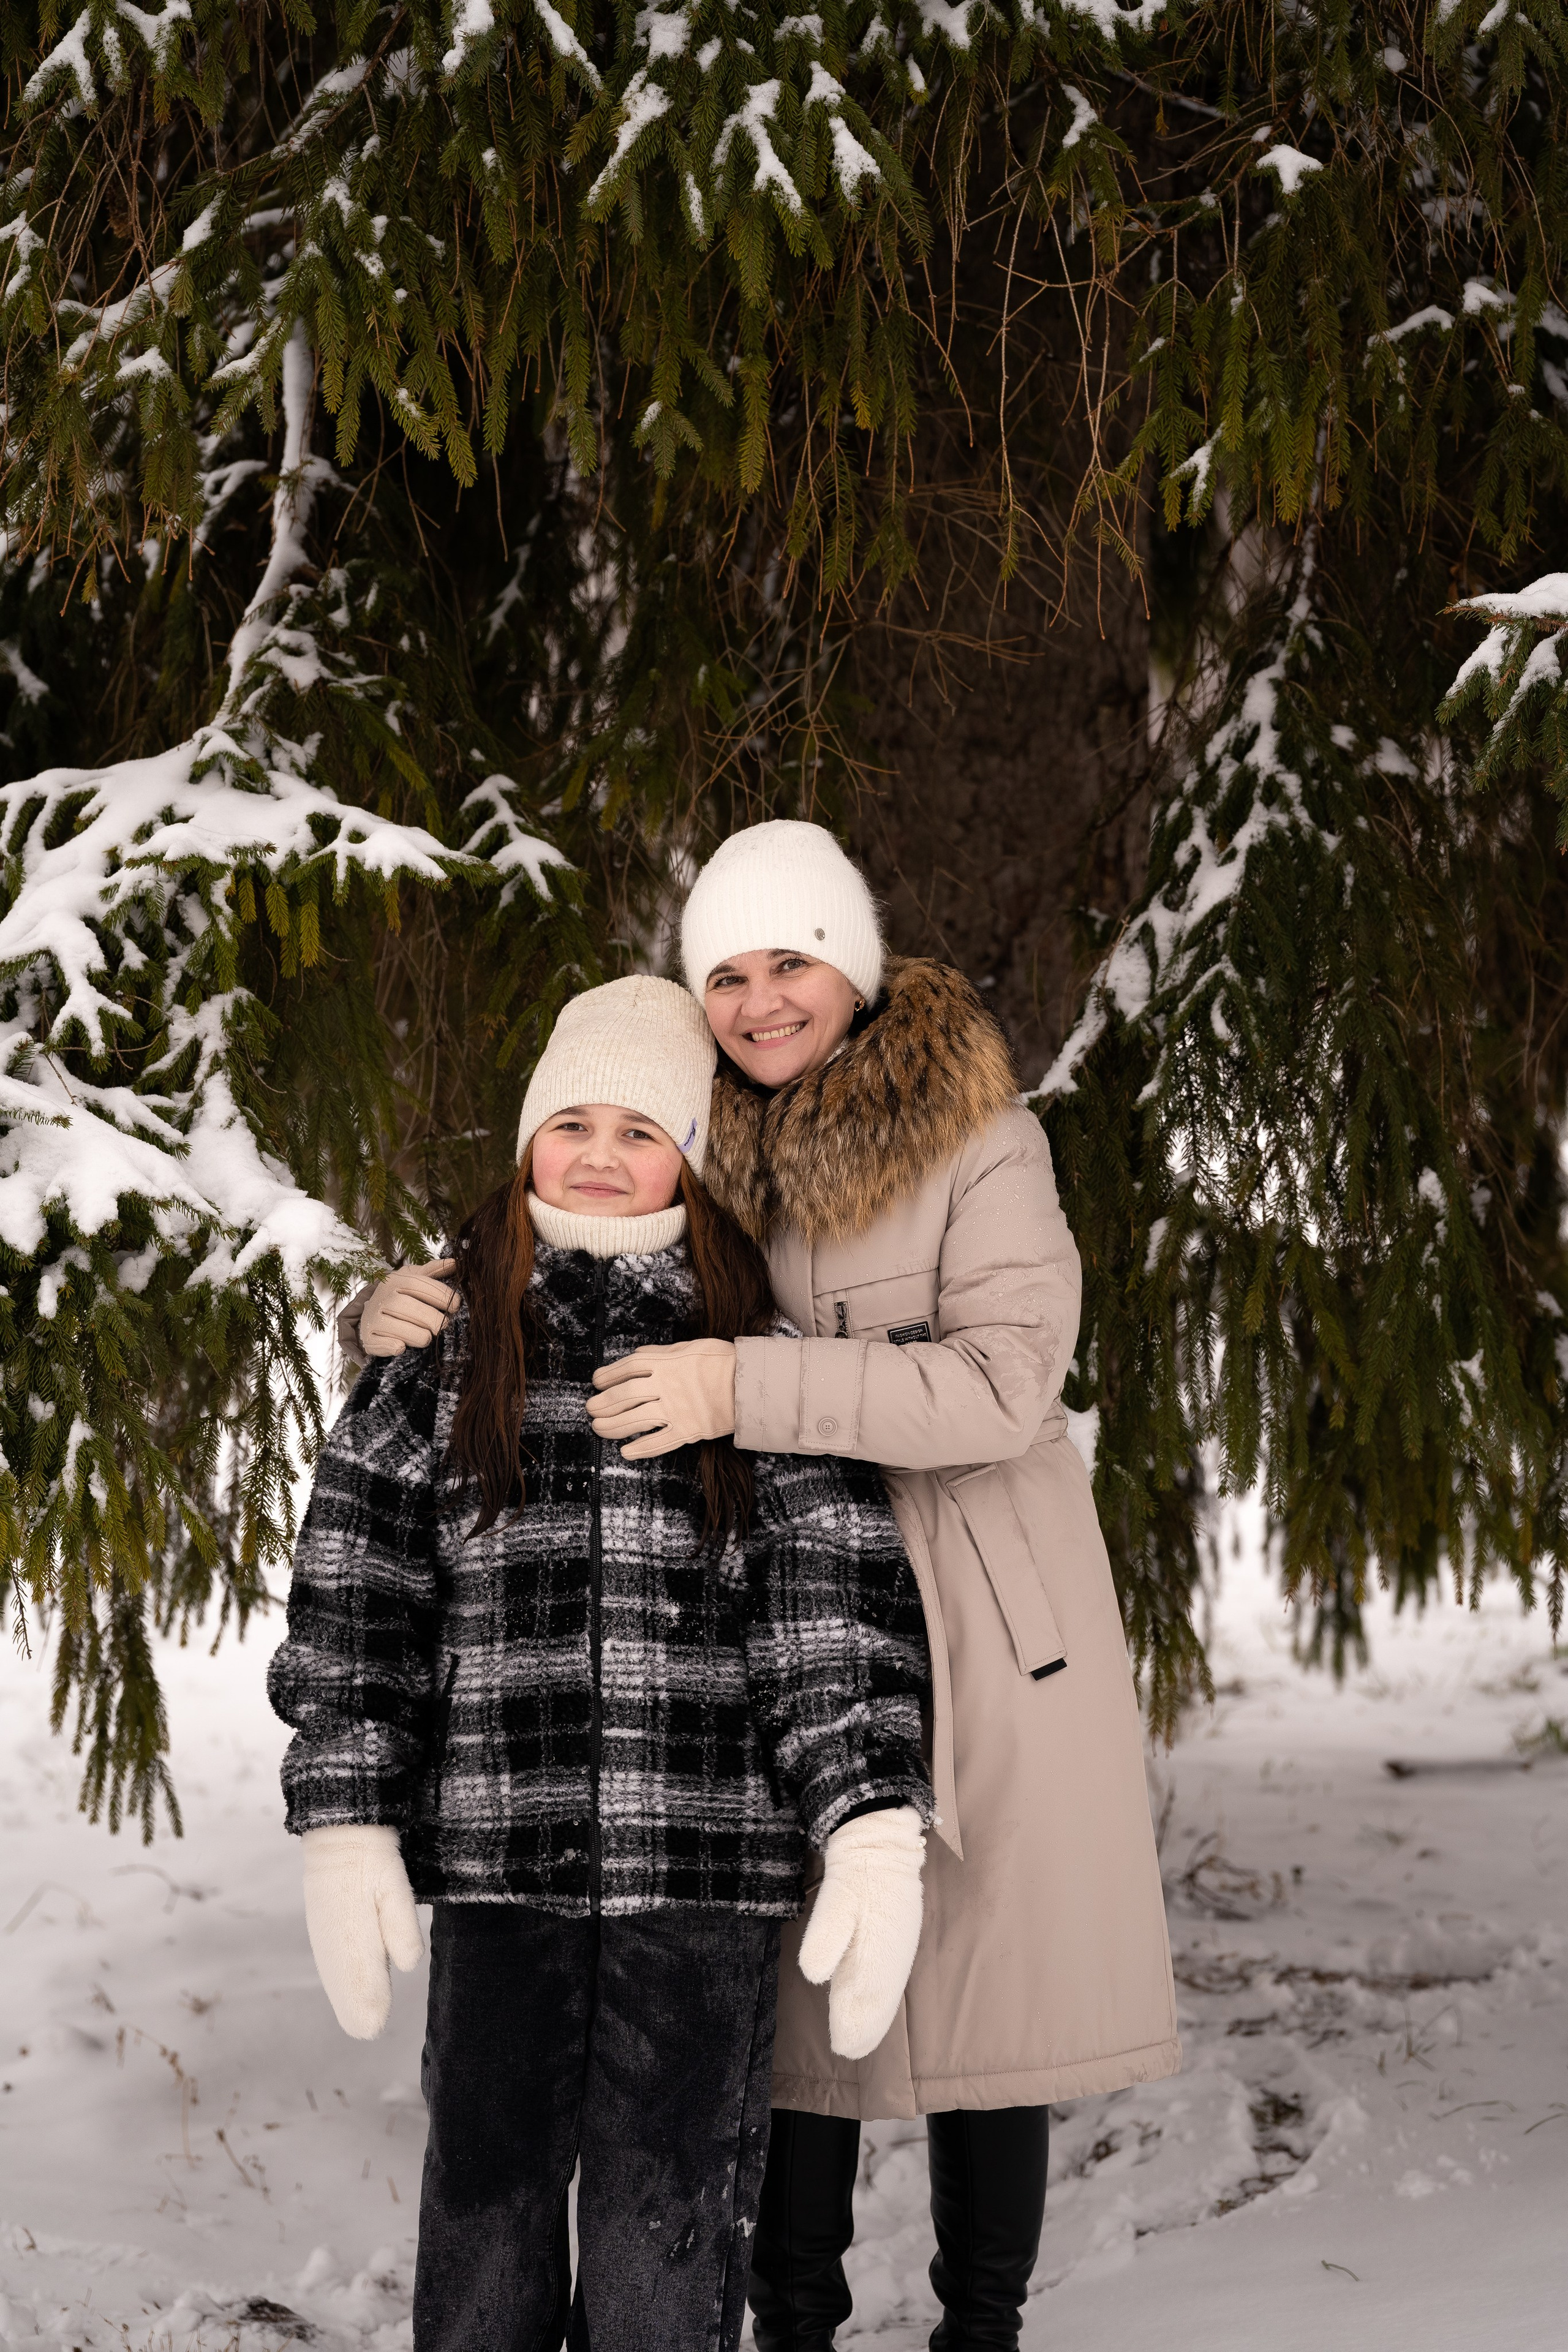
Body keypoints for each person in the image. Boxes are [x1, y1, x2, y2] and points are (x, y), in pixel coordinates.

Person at [353, 827, 1181, 2351]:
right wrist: (407, 1302)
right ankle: (791, 2327)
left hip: (977, 1615)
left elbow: (1002, 1389)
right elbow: (584, 1244)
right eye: (724, 972)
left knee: (982, 2021)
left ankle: (977, 2330)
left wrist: (747, 1382)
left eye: (788, 961)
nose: (756, 1000)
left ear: (851, 970)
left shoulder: (979, 1141)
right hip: (769, 1619)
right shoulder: (700, 1130)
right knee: (789, 2028)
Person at [271, 973, 936, 2352]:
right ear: (525, 1144)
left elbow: (826, 1611)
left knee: (664, 2251)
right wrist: (344, 1822)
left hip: (699, 1884)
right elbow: (356, 1595)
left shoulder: (752, 1364)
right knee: (485, 2235)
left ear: (687, 1161)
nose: (597, 1152)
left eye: (640, 1129)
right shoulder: (439, 1351)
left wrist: (867, 1820)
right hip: (496, 1870)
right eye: (568, 1120)